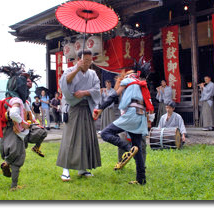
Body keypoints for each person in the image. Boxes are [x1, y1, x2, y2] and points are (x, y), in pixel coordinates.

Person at [93, 59, 155, 185]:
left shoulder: (129, 80)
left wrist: (100, 108)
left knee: (105, 133)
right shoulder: (141, 84)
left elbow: (113, 96)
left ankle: (128, 148)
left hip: (131, 114)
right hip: (140, 116)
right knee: (137, 148)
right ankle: (141, 179)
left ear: (130, 75)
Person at [57, 50, 101, 182]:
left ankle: (83, 168)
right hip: (73, 108)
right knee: (70, 139)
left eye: (90, 60)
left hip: (86, 108)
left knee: (86, 138)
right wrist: (77, 69)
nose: (88, 63)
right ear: (78, 60)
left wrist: (85, 92)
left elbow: (97, 89)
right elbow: (64, 83)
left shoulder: (92, 74)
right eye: (85, 60)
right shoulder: (70, 70)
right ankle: (66, 169)